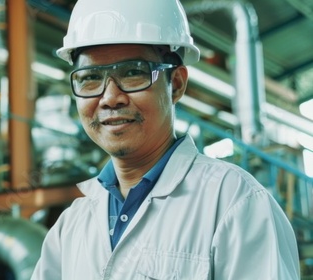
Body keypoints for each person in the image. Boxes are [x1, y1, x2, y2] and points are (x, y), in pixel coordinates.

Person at [31, 0, 300, 279]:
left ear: (176, 84)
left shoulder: (235, 201)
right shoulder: (71, 226)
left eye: (134, 72)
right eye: (90, 78)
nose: (110, 98)